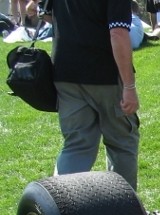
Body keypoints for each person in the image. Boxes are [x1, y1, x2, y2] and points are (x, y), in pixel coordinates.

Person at [46, 0, 140, 190]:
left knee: (76, 146)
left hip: (65, 72)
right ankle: (121, 209)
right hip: (104, 74)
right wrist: (129, 86)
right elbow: (118, 33)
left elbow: (47, 15)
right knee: (121, 143)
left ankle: (61, 209)